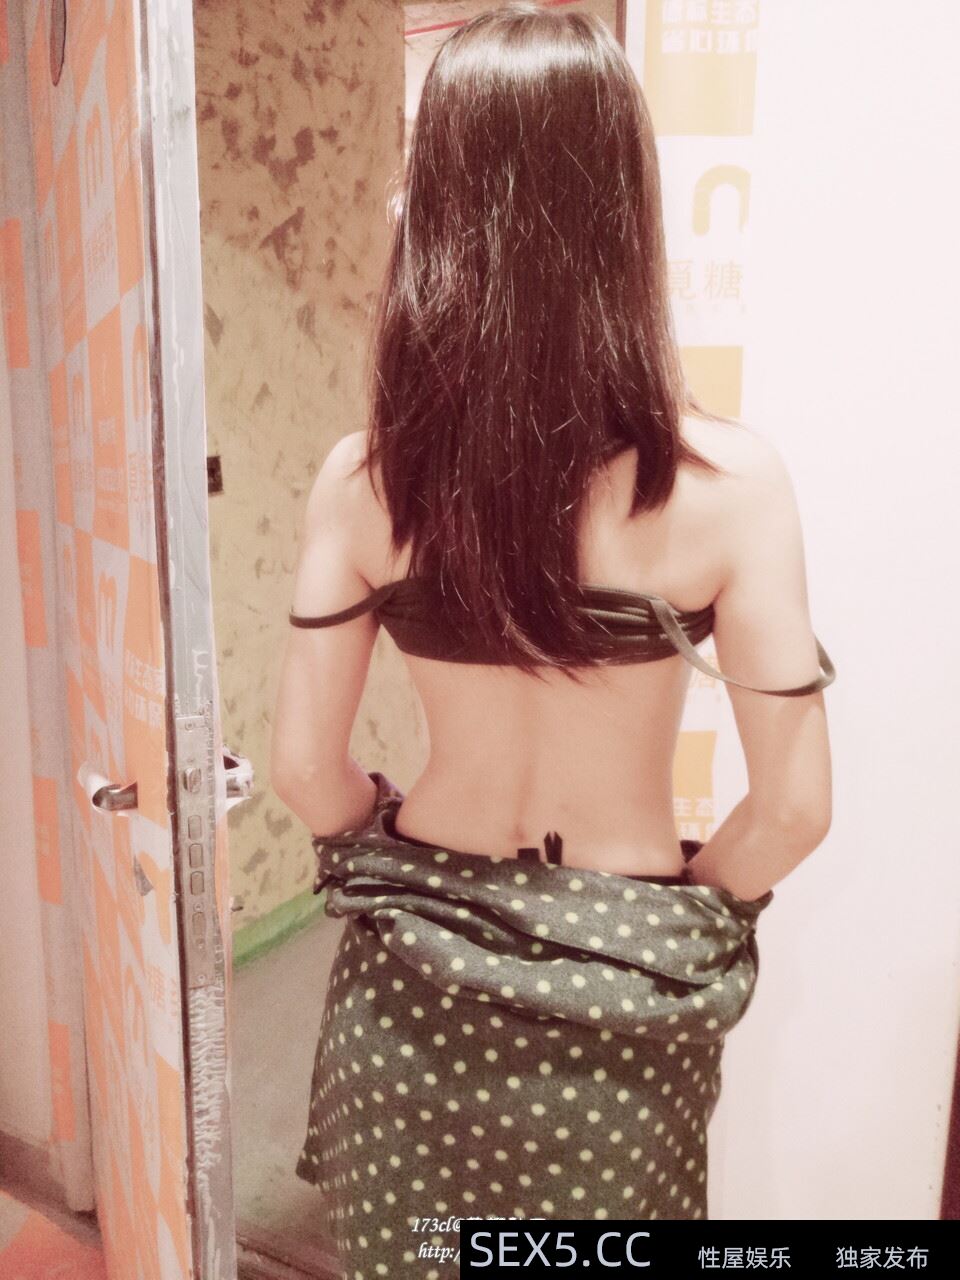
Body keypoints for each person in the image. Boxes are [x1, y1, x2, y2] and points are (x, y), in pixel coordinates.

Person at [270, 2, 835, 1264]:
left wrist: (384, 844)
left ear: (436, 204)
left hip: (407, 999)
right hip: (620, 1013)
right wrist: (662, 928)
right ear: (625, 208)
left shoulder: (362, 479)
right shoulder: (732, 485)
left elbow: (304, 769)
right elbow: (795, 806)